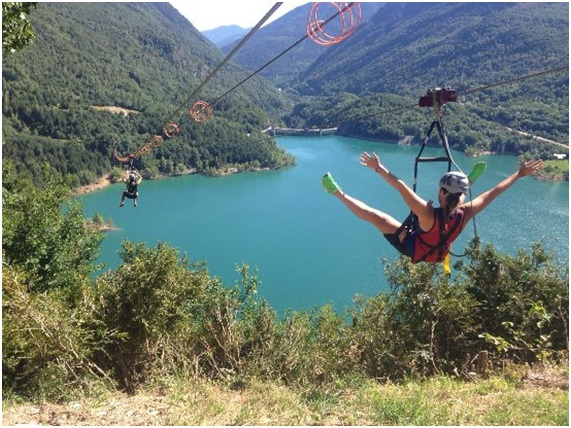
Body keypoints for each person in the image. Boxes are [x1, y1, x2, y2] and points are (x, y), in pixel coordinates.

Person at [321, 152, 544, 264]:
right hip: (439, 254)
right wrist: (520, 174)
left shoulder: (426, 214)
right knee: (467, 198)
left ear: (441, 193)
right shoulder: (464, 213)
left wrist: (379, 168)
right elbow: (493, 192)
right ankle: (467, 180)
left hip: (416, 249)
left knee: (375, 216)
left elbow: (400, 186)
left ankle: (337, 193)